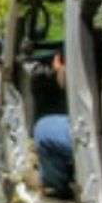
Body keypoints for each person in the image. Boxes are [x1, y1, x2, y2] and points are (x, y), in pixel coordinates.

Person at [33, 51, 73, 195]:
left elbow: (77, 85)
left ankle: (56, 187)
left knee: (42, 129)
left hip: (96, 134)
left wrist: (60, 69)